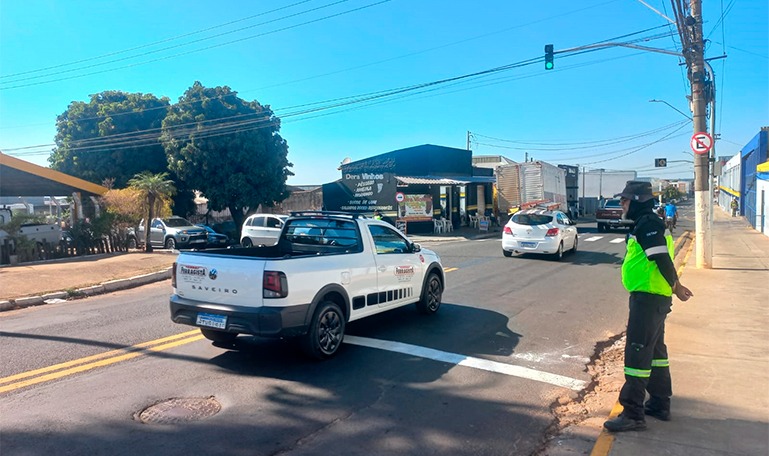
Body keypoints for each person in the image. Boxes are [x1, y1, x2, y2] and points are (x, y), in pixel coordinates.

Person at [603, 181, 693, 433]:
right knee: (655, 353)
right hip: (653, 298)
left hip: (649, 299)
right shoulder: (647, 223)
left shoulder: (648, 224)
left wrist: (677, 286)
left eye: (625, 200)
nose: (621, 204)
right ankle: (660, 403)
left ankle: (633, 413)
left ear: (638, 200)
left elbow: (661, 258)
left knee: (637, 354)